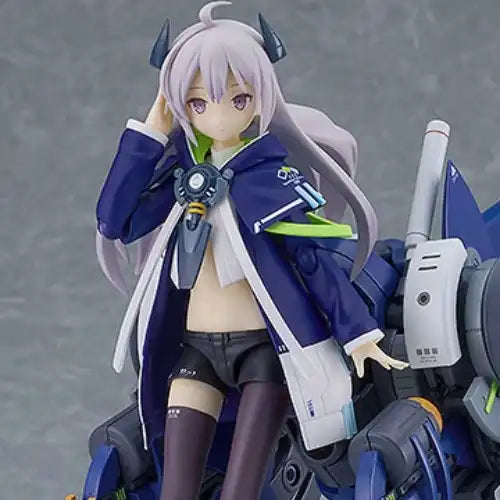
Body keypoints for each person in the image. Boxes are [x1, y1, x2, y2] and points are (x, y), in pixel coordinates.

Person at [95, 2, 408, 498]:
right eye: (198, 103)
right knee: (175, 489)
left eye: (238, 98)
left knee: (242, 491)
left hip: (263, 354)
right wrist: (153, 127)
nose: (219, 115)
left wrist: (358, 333)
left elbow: (312, 261)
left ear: (259, 97)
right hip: (196, 350)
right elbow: (115, 220)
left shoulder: (271, 179)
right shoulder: (182, 181)